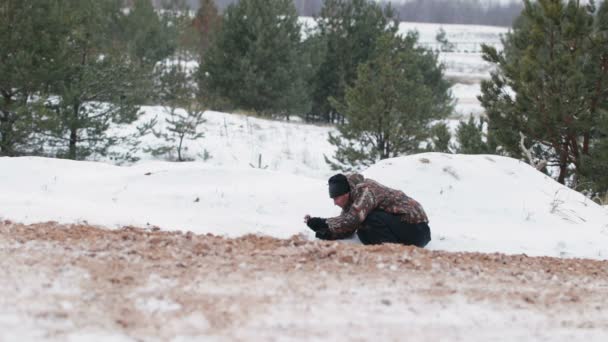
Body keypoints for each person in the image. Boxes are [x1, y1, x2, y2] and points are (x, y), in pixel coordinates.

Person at [304, 173, 431, 247]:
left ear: (346, 193)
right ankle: (388, 250)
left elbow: (351, 221)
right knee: (363, 231)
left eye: (336, 198)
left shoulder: (366, 190)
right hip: (404, 229)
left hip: (417, 229)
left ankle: (392, 252)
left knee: (370, 219)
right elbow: (348, 228)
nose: (335, 203)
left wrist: (323, 222)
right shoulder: (352, 202)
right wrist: (327, 233)